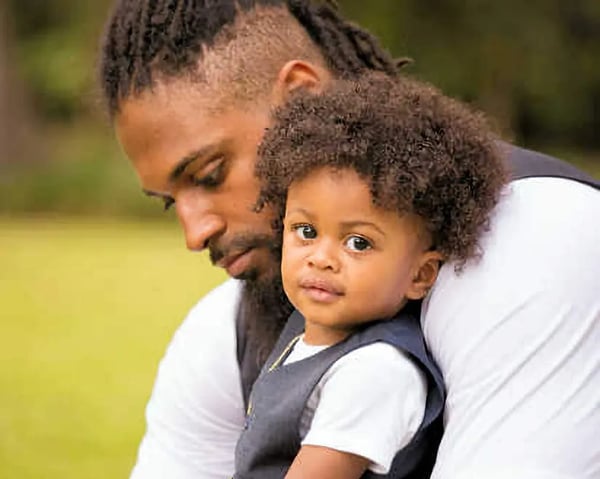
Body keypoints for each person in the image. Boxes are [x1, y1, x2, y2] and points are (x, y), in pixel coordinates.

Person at [98, 1, 600, 478]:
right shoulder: (224, 331)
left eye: (210, 174)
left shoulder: (534, 233)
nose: (194, 233)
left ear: (300, 96)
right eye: (169, 203)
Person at [234, 72, 505, 478]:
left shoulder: (375, 372)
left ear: (420, 275)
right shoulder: (303, 336)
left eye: (358, 242)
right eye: (306, 231)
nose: (321, 258)